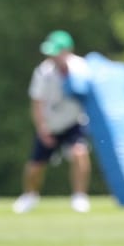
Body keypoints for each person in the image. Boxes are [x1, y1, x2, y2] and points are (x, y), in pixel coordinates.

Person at [12, 30, 93, 214]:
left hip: (75, 121)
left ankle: (80, 197)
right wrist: (42, 129)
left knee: (79, 153)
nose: (52, 56)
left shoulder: (82, 68)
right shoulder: (43, 72)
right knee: (35, 166)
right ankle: (30, 196)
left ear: (67, 50)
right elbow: (37, 103)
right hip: (50, 124)